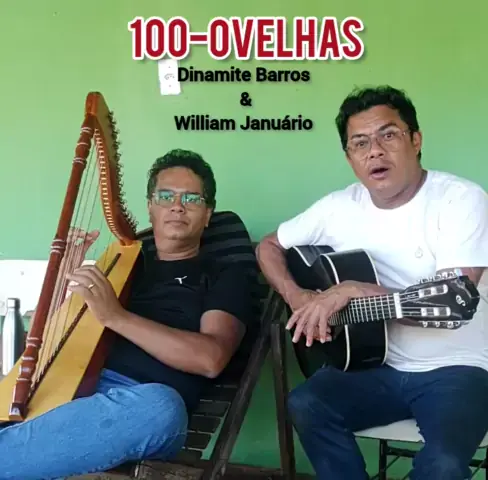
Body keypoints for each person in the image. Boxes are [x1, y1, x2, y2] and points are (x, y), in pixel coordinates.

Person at [256, 85, 488, 480]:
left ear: (416, 140)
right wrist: (298, 297)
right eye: (359, 143)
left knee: (443, 466)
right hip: (375, 365)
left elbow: (454, 304)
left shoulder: (460, 200)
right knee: (307, 404)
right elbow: (269, 246)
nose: (374, 151)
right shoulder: (337, 207)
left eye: (388, 135)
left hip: (459, 368)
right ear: (349, 157)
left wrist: (355, 291)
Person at [0, 149, 253, 480]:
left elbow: (211, 358)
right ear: (150, 207)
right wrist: (63, 277)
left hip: (139, 407)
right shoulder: (123, 266)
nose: (178, 206)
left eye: (192, 198)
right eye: (166, 196)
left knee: (160, 407)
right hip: (75, 391)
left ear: (207, 215)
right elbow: (44, 341)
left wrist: (116, 317)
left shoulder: (225, 274)